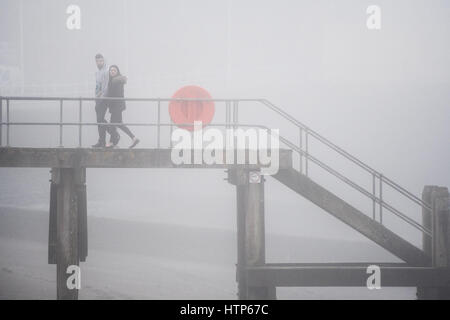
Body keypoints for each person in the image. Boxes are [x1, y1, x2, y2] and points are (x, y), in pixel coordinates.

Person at [105, 65, 140, 148]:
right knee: (119, 123)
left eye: (114, 70)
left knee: (113, 124)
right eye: (111, 70)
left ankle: (111, 142)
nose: (112, 72)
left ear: (117, 72)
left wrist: (109, 103)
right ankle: (133, 138)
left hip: (116, 106)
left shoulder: (116, 81)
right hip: (117, 106)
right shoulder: (114, 81)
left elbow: (116, 94)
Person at [92, 53, 115, 148]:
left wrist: (102, 98)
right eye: (97, 61)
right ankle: (101, 140)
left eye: (101, 61)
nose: (99, 63)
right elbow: (97, 86)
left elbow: (106, 87)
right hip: (97, 99)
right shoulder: (97, 73)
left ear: (104, 61)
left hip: (104, 99)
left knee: (100, 119)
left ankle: (114, 134)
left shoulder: (106, 71)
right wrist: (96, 98)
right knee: (99, 120)